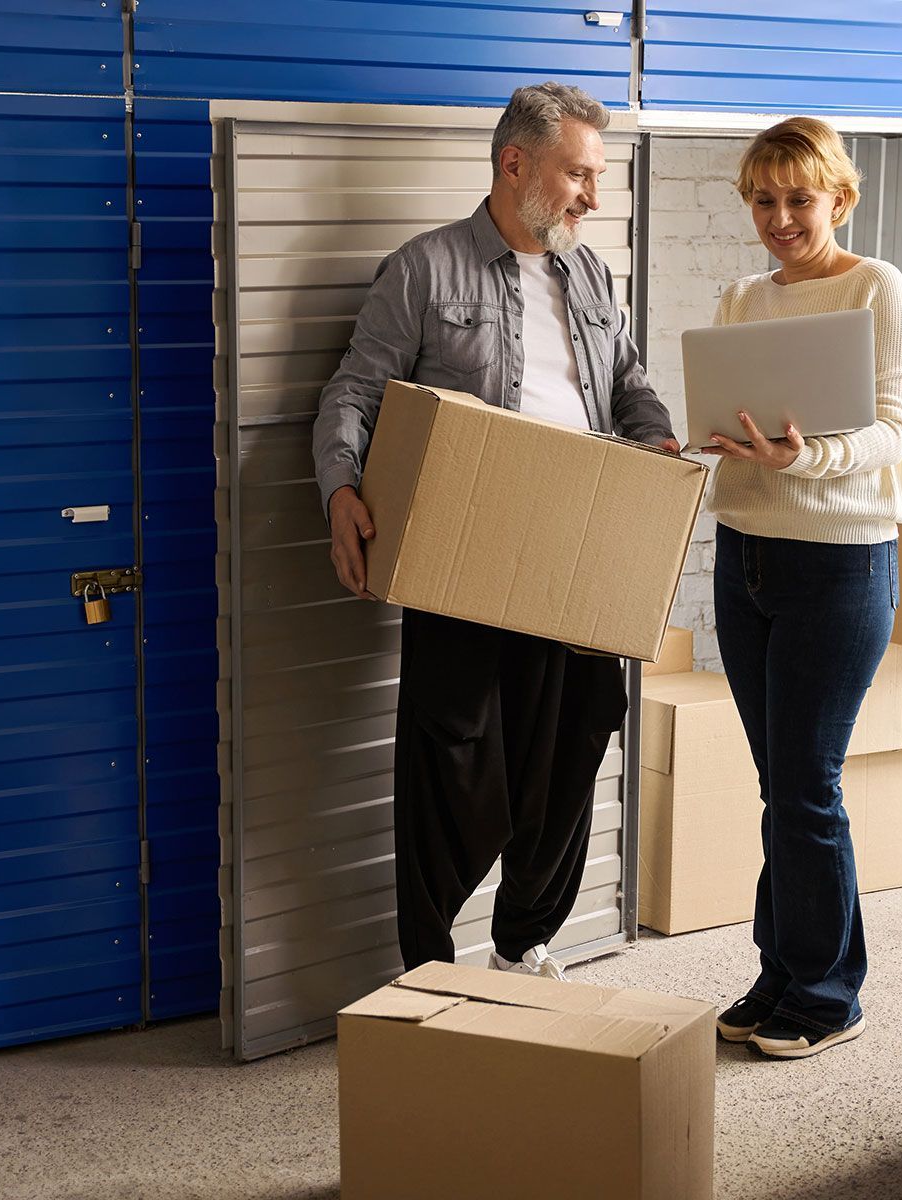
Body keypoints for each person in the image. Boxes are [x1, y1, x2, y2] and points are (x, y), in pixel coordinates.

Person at [313, 82, 680, 978]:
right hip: (464, 553)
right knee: (452, 751)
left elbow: (627, 384)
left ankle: (524, 942)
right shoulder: (426, 268)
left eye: (597, 177)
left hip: (581, 549)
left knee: (578, 735)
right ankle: (427, 964)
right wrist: (340, 491)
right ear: (515, 164)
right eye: (578, 175)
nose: (593, 196)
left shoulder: (590, 273)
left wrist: (657, 439)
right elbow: (354, 389)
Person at [699, 117, 902, 1058]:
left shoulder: (879, 291)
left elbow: (894, 433)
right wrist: (711, 438)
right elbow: (726, 411)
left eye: (800, 197)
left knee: (806, 785)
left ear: (839, 197)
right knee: (778, 784)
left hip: (839, 559)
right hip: (745, 552)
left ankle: (831, 994)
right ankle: (785, 968)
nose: (782, 217)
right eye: (764, 199)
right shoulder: (742, 297)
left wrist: (806, 458)